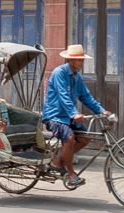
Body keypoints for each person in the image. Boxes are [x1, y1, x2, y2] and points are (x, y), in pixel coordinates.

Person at [42, 44, 110, 187]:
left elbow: (85, 96)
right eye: (79, 60)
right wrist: (74, 114)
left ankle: (58, 160)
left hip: (68, 117)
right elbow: (63, 96)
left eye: (82, 59)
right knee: (70, 138)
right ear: (70, 60)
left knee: (85, 138)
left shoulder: (76, 76)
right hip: (54, 116)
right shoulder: (59, 73)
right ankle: (71, 174)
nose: (81, 62)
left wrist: (101, 111)